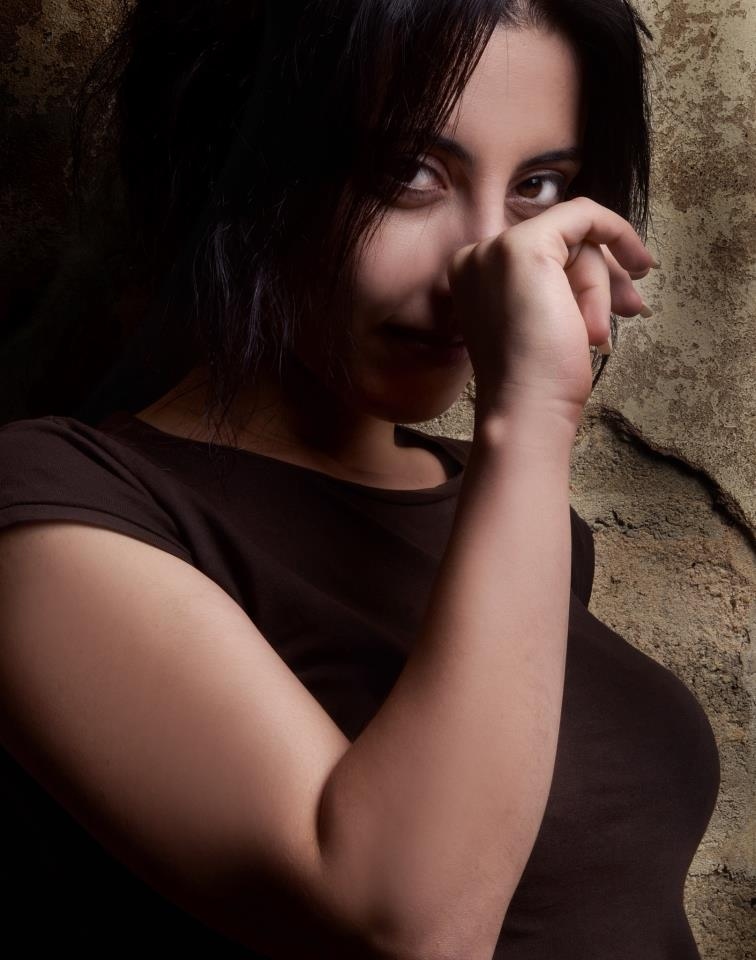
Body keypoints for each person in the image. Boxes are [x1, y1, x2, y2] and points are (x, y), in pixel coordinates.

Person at [0, 1, 720, 958]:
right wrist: (533, 417)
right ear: (233, 156)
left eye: (538, 187)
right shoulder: (52, 506)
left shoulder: (497, 508)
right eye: (407, 174)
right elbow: (411, 928)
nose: (481, 262)